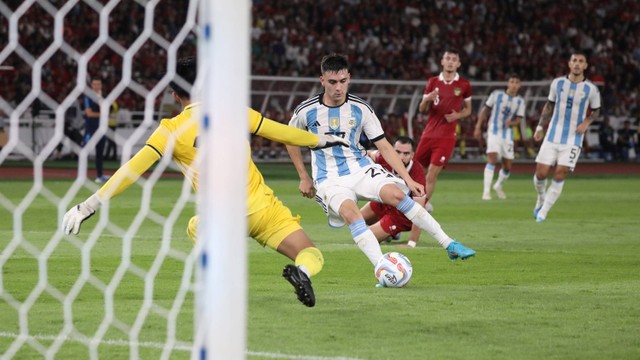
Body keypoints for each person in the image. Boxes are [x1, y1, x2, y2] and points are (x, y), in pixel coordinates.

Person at [62, 56, 349, 307]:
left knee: (194, 226)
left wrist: (87, 206)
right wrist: (321, 139)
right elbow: (283, 133)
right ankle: (303, 272)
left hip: (221, 218)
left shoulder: (170, 130)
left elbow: (131, 170)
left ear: (175, 95)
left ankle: (220, 274)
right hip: (263, 210)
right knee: (311, 253)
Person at [285, 54, 475, 276]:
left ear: (349, 78)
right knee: (351, 214)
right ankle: (383, 268)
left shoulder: (361, 108)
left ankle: (449, 244)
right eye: (332, 82)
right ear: (322, 81)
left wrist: (408, 178)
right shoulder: (306, 110)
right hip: (329, 179)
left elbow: (384, 146)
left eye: (343, 81)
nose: (339, 87)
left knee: (397, 195)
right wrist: (303, 176)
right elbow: (290, 139)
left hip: (360, 168)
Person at [533, 51, 601, 222]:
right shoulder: (557, 83)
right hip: (552, 135)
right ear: (569, 64)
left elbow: (596, 110)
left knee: (560, 173)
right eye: (574, 60)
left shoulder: (591, 89)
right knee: (540, 173)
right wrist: (540, 127)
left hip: (573, 139)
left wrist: (587, 122)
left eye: (581, 61)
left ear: (585, 65)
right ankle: (541, 197)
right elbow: (549, 106)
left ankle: (544, 212)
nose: (577, 64)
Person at [415, 49, 472, 203]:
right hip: (428, 134)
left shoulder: (464, 84)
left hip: (447, 136)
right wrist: (427, 99)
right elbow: (421, 109)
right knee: (413, 169)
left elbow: (468, 110)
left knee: (432, 173)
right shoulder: (433, 82)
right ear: (442, 61)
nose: (451, 61)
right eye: (448, 58)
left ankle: (421, 206)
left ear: (458, 64)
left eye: (454, 59)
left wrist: (457, 115)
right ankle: (409, 202)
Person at [359, 136, 433, 248]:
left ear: (412, 155)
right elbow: (370, 153)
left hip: (402, 215)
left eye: (406, 153)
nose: (401, 157)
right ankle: (390, 233)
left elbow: (419, 212)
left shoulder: (418, 174)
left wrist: (411, 244)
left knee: (364, 240)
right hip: (385, 201)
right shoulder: (384, 157)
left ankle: (391, 229)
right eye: (397, 152)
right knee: (355, 220)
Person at [474, 74, 526, 200]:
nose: (514, 84)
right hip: (493, 131)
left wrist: (512, 123)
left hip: (507, 135)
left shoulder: (520, 101)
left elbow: (519, 119)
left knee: (507, 166)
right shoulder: (496, 94)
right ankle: (486, 192)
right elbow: (485, 110)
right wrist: (478, 126)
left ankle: (498, 185)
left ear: (519, 86)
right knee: (492, 158)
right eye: (512, 81)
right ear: (508, 83)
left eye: (516, 82)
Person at [82, 77, 108, 182]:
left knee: (100, 153)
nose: (97, 86)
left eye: (98, 84)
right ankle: (82, 176)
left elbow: (107, 111)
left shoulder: (103, 97)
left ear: (101, 85)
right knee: (84, 152)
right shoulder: (88, 97)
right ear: (92, 86)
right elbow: (89, 113)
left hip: (101, 129)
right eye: (95, 84)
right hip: (91, 129)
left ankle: (99, 175)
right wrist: (102, 114)